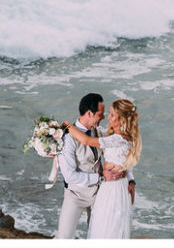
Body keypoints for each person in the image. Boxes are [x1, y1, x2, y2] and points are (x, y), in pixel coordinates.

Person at [55, 93, 136, 239]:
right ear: (89, 113)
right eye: (101, 114)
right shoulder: (68, 138)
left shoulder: (101, 132)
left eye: (109, 114)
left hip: (100, 194)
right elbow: (70, 176)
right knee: (64, 237)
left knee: (100, 234)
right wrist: (100, 177)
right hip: (76, 195)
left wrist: (131, 179)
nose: (105, 117)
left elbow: (122, 155)